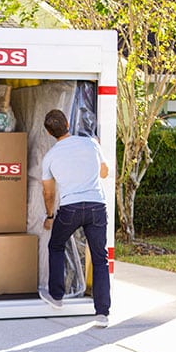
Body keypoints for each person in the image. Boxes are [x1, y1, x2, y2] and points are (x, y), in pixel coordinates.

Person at [39, 109, 111, 328]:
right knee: (100, 258)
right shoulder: (91, 144)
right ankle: (102, 314)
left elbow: (48, 193)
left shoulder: (50, 156)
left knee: (57, 245)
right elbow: (105, 172)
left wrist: (50, 216)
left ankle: (57, 297)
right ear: (68, 123)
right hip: (97, 207)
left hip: (70, 210)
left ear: (49, 133)